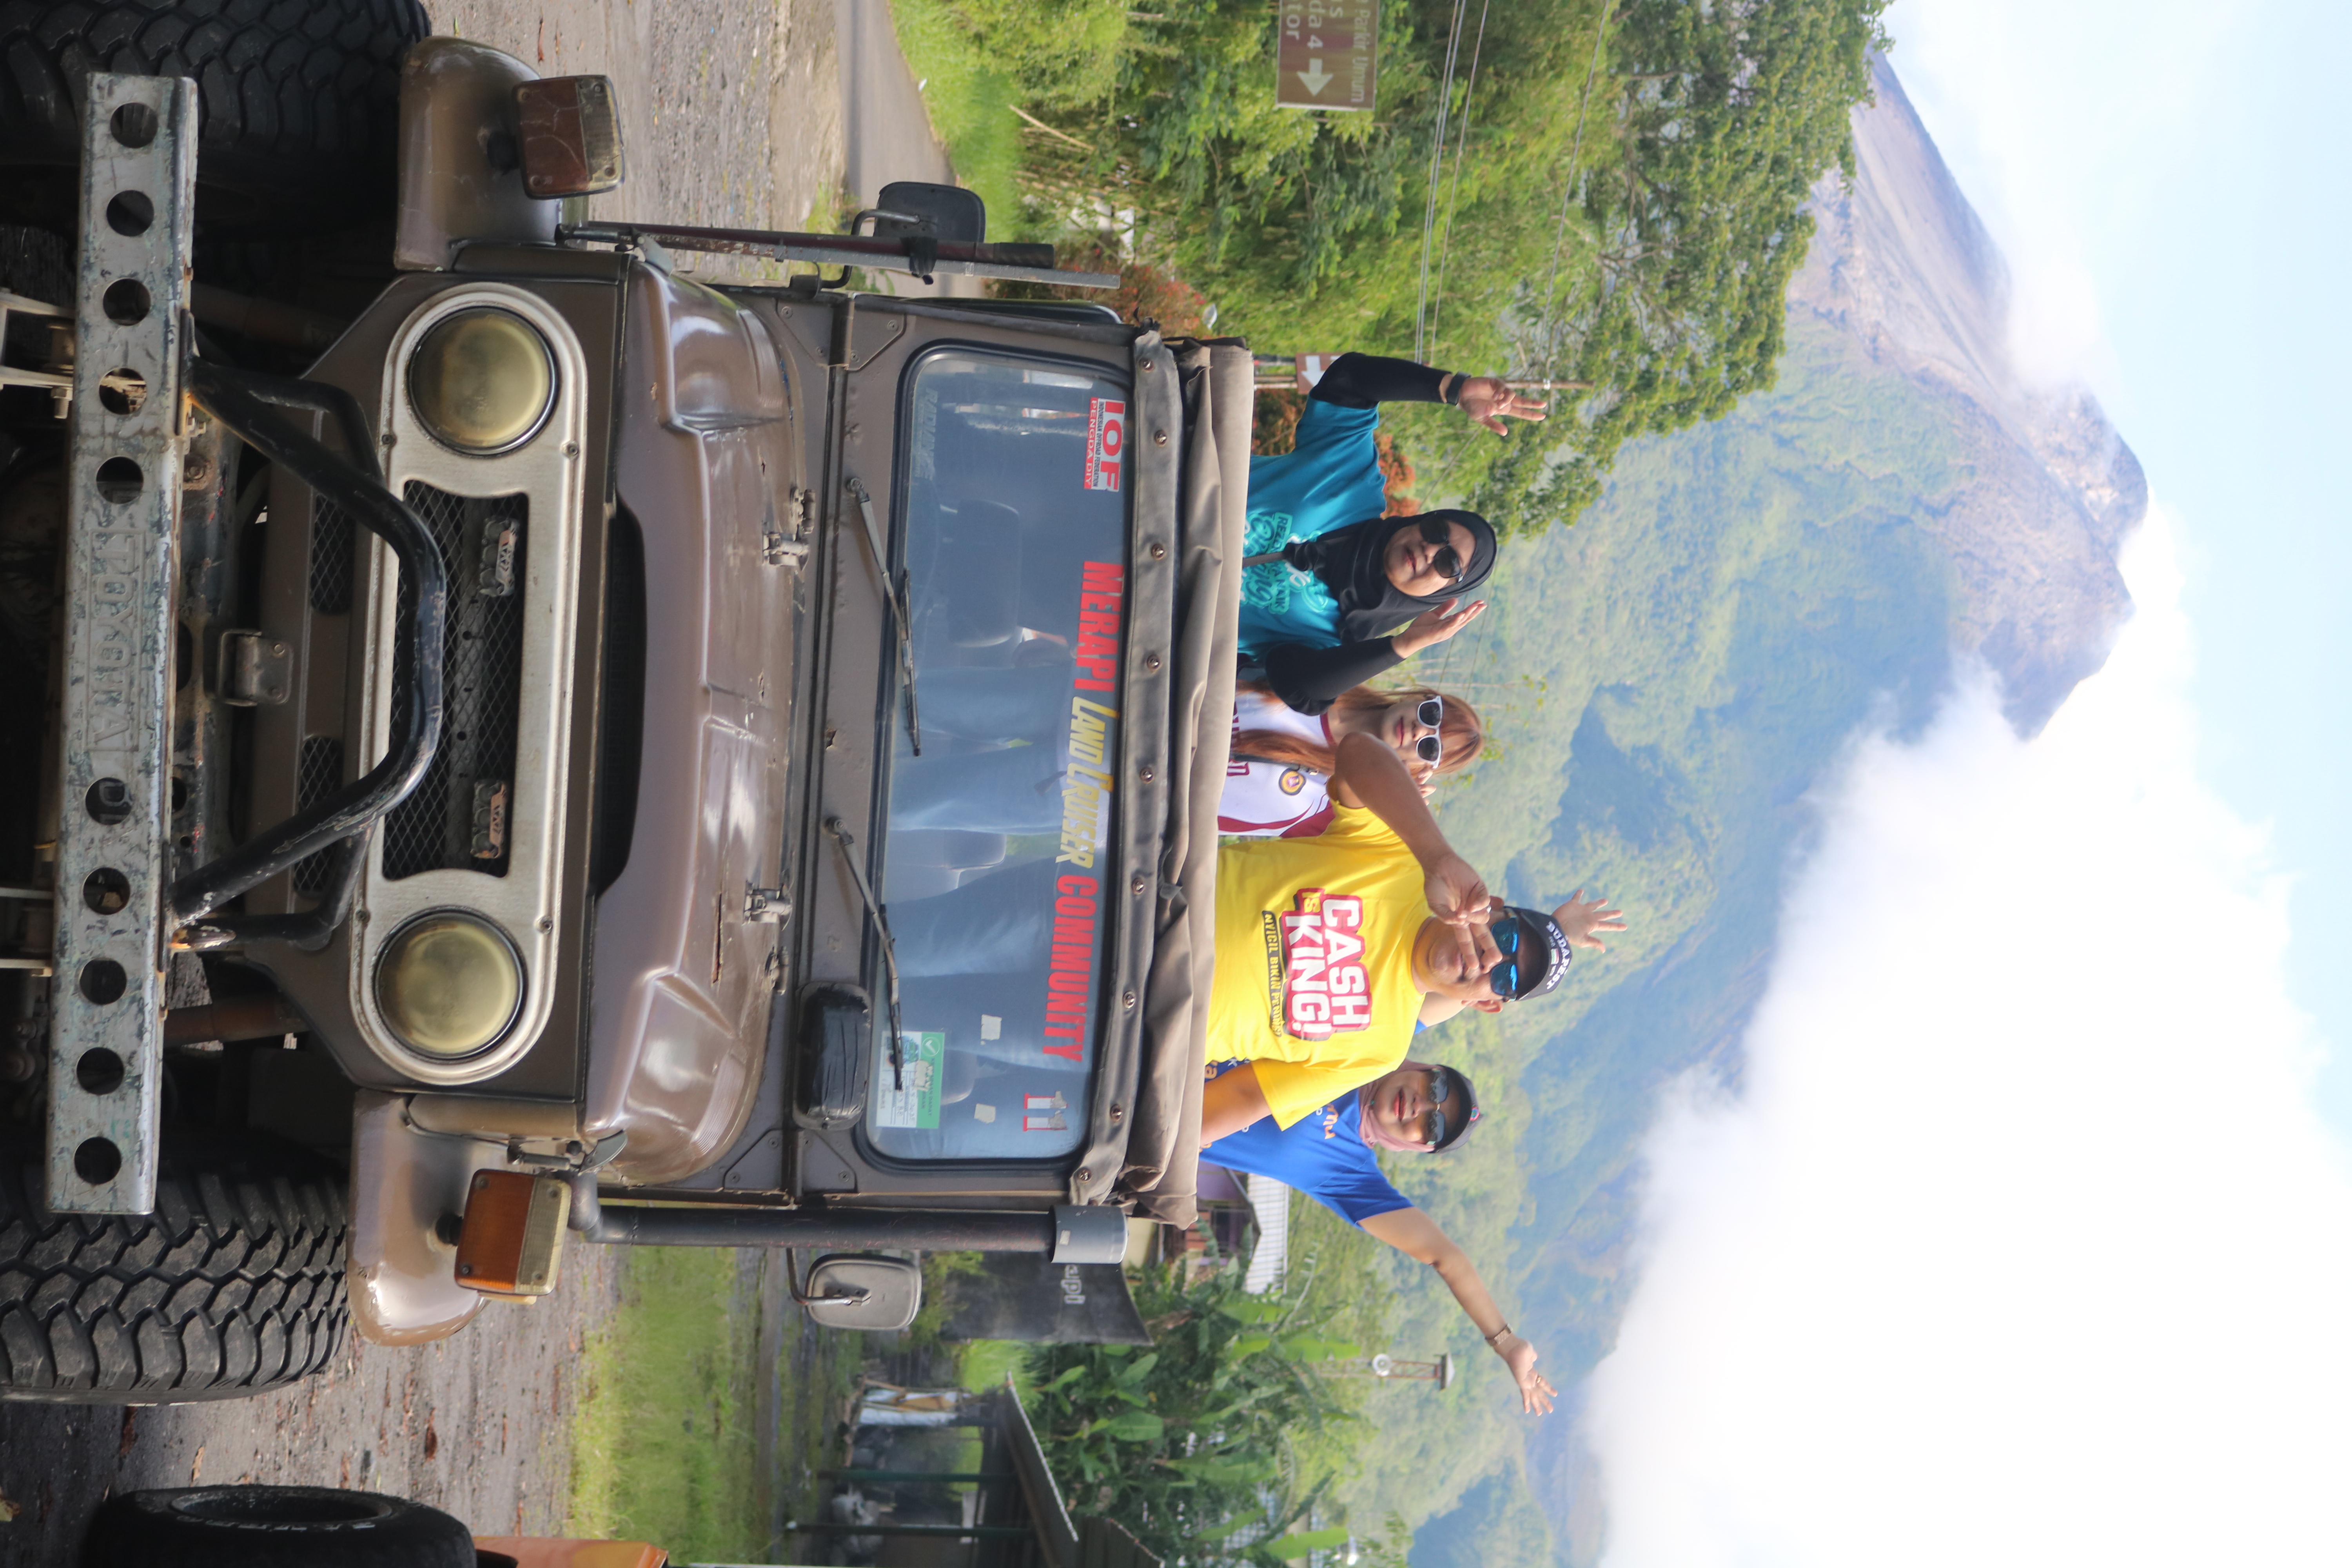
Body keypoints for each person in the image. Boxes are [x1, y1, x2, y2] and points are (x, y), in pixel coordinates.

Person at [1199, 828, 1621, 1142]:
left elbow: (1245, 1096)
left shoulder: (1382, 1051)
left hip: (1157, 1020)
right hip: (1162, 898)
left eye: (1506, 979)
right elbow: (1360, 754)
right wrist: (1437, 855)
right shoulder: (1400, 864)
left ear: (1487, 1005)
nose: (1495, 957)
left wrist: (1162, 1143)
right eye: (1507, 936)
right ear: (1488, 907)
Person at [1202, 1059, 1558, 1414]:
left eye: (1432, 1125)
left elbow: (1444, 1257)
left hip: (1155, 1121)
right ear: (1422, 1068)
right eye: (1436, 1088)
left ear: (1419, 1148)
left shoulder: (1350, 1174)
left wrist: (1506, 1342)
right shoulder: (1357, 1045)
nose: (1422, 1105)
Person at [1242, 353, 1546, 714]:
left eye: (1449, 564)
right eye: (1437, 530)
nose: (1432, 550)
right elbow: (1349, 378)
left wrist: (1401, 646)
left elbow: (1302, 689)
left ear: (1440, 594)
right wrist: (1454, 388)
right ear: (1423, 519)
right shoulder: (1352, 481)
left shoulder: (1332, 640)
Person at [1221, 679, 1485, 838]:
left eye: (1430, 748)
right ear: (1419, 699)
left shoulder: (1340, 810)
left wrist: (1387, 810)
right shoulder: (1329, 679)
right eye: (1432, 715)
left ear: (1421, 767)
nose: (1420, 731)